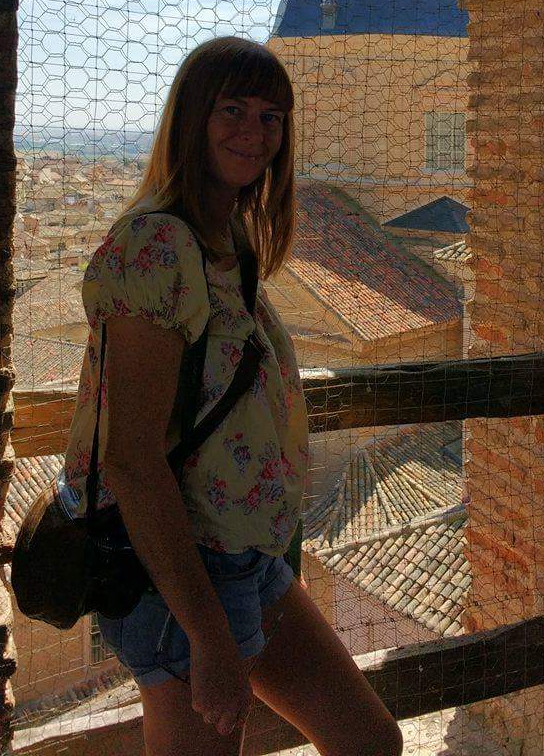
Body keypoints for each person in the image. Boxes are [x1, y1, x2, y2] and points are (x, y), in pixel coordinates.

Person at [62, 37, 403, 756]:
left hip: (246, 559)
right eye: (233, 110)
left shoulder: (228, 245)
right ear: (192, 118)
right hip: (184, 576)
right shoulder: (157, 249)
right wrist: (208, 636)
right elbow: (129, 460)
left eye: (272, 117)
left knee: (370, 740)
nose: (255, 132)